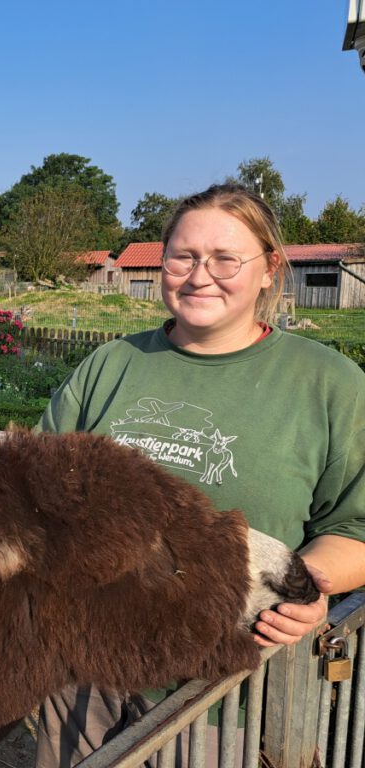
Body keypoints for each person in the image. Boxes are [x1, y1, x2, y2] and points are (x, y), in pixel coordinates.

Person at [34, 183, 365, 768]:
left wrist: (307, 586)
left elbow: (355, 525)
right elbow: (35, 485)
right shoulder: (111, 366)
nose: (198, 275)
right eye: (183, 257)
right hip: (84, 672)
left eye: (224, 259)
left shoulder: (327, 384)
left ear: (269, 271)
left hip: (223, 693)